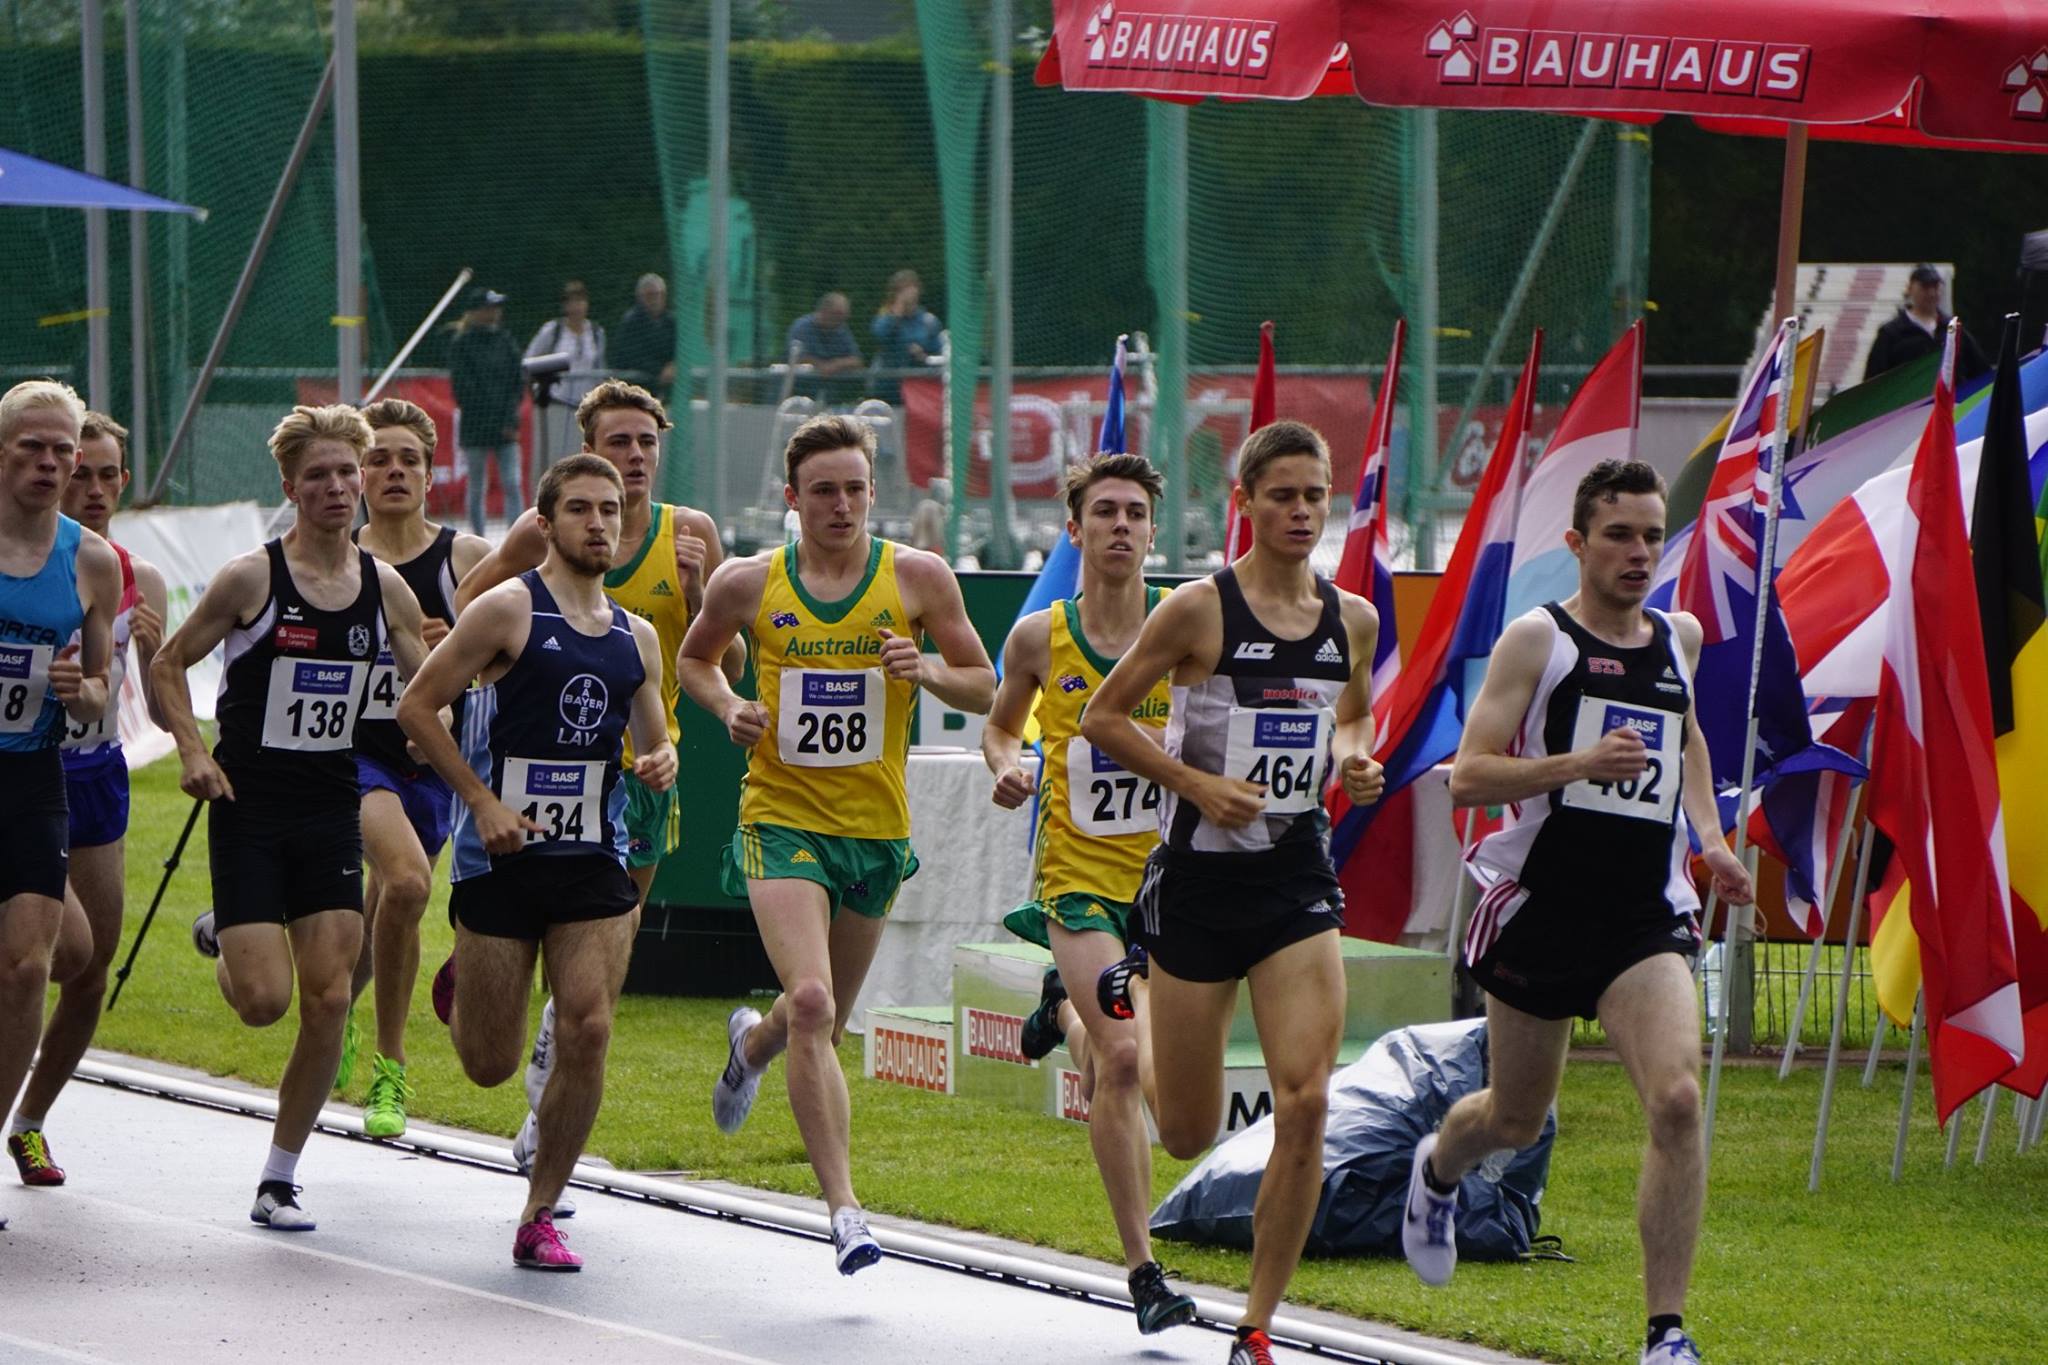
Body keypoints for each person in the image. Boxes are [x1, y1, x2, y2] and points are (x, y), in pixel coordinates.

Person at [1398, 460, 1754, 1365]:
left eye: (1651, 533)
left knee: (1676, 1100)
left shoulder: (1680, 636)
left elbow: (1690, 742)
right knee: (1516, 1118)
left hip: (1642, 916)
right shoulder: (1538, 640)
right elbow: (1469, 774)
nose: (1640, 552)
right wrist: (1575, 764)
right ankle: (1438, 1169)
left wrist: (1709, 838)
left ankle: (1666, 1333)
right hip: (1541, 908)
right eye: (1620, 535)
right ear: (1579, 544)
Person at [1082, 420, 1384, 1365]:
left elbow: (1354, 707)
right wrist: (1198, 785)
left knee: (1304, 1100)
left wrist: (1352, 754)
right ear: (1244, 501)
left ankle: (1257, 1326)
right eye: (1283, 495)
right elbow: (1103, 716)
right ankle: (1116, 996)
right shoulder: (1198, 612)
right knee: (1185, 1133)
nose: (1301, 511)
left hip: (1295, 875)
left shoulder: (1355, 617)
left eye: (1315, 494)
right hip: (1198, 884)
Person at [681, 413, 995, 1275]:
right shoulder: (751, 583)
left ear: (873, 491)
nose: (843, 505)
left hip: (876, 831)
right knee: (815, 1003)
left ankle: (752, 1045)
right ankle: (846, 1211)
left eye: (856, 488)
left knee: (818, 1013)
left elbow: (985, 683)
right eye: (823, 490)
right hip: (781, 817)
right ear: (793, 498)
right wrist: (727, 706)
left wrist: (924, 669)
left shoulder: (919, 578)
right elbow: (696, 659)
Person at [455, 379, 743, 1199]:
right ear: (586, 448)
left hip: (635, 779)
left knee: (592, 991)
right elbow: (470, 613)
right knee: (502, 1024)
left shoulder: (692, 534)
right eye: (620, 442)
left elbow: (726, 663)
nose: (637, 457)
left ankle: (548, 1111)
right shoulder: (541, 533)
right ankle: (493, 986)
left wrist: (693, 597)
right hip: (527, 774)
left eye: (648, 442)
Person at [151, 403, 431, 1232]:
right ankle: (227, 943)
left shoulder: (385, 587)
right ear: (291, 487)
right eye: (320, 475)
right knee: (264, 1000)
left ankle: (279, 1176)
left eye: (350, 471)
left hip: (329, 804)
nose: (340, 487)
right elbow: (169, 663)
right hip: (249, 805)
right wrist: (194, 752)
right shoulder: (252, 578)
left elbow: (429, 681)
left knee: (329, 993)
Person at [400, 454, 677, 1272]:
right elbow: (417, 707)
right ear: (547, 523)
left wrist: (660, 761)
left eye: (613, 510)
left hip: (593, 856)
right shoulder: (507, 611)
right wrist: (481, 804)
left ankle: (539, 1210)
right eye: (583, 509)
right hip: (502, 856)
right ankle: (466, 977)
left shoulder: (639, 637)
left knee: (588, 1023)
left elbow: (652, 738)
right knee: (488, 1063)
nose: (601, 523)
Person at [982, 451, 1197, 1336]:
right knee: (1122, 1061)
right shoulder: (1041, 638)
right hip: (1077, 883)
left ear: (1154, 530)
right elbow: (1001, 729)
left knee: (1160, 1079)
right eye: (1102, 512)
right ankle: (1144, 1271)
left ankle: (1059, 1011)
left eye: (1134, 513)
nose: (1119, 526)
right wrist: (1008, 768)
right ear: (1075, 531)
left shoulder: (1188, 633)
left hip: (1167, 889)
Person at [9, 411, 167, 1189]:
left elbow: (155, 690)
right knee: (41, 952)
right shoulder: (29, 548)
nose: (94, 487)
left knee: (87, 963)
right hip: (31, 768)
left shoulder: (130, 573)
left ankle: (31, 1120)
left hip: (92, 770)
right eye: (83, 472)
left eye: (108, 474)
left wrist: (198, 742)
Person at [337, 397, 491, 1138]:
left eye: (408, 459)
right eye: (378, 458)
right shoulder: (332, 553)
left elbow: (511, 654)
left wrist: (454, 654)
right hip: (354, 755)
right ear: (357, 473)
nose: (393, 471)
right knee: (406, 882)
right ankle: (390, 1070)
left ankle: (334, 1009)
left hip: (433, 765)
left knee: (386, 909)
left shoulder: (465, 560)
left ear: (433, 475)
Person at [0, 381, 120, 1226]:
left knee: (28, 966)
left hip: (30, 775)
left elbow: (102, 682)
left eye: (61, 451)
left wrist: (84, 693)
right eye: (29, 447)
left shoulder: (91, 561)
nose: (47, 463)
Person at [448, 286, 526, 535]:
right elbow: (463, 389)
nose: (494, 313)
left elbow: (517, 381)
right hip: (476, 425)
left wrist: (508, 419)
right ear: (475, 312)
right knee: (477, 485)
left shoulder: (505, 340)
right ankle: (478, 538)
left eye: (496, 308)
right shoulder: (462, 344)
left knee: (512, 483)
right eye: (488, 307)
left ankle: (517, 537)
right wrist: (493, 417)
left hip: (505, 424)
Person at [526, 280, 607, 472]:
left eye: (581, 301)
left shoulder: (596, 333)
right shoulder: (553, 331)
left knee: (584, 457)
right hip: (557, 403)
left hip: (586, 406)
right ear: (565, 306)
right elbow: (530, 360)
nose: (577, 307)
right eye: (572, 302)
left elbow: (599, 368)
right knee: (557, 459)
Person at [1863, 263, 1988, 383]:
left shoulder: (1953, 329)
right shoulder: (1892, 333)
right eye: (1925, 287)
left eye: (1935, 286)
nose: (1931, 293)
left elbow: (1981, 374)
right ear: (1910, 288)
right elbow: (1873, 381)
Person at [868, 269, 942, 404]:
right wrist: (898, 310)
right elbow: (879, 335)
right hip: (888, 389)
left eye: (911, 287)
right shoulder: (885, 317)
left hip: (920, 392)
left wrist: (923, 356)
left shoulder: (928, 321)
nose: (908, 293)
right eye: (902, 289)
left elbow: (938, 357)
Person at [787, 291, 863, 404]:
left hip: (831, 395)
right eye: (837, 314)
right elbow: (797, 357)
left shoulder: (841, 330)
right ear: (824, 311)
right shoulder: (802, 327)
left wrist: (835, 364)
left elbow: (856, 361)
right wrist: (820, 366)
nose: (841, 319)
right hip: (799, 393)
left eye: (844, 315)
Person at [612, 273, 677, 390]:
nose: (656, 299)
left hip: (666, 388)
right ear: (640, 297)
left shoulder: (671, 321)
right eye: (650, 295)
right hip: (635, 387)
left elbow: (679, 349)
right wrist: (659, 371)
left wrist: (673, 365)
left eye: (659, 294)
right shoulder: (631, 322)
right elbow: (632, 356)